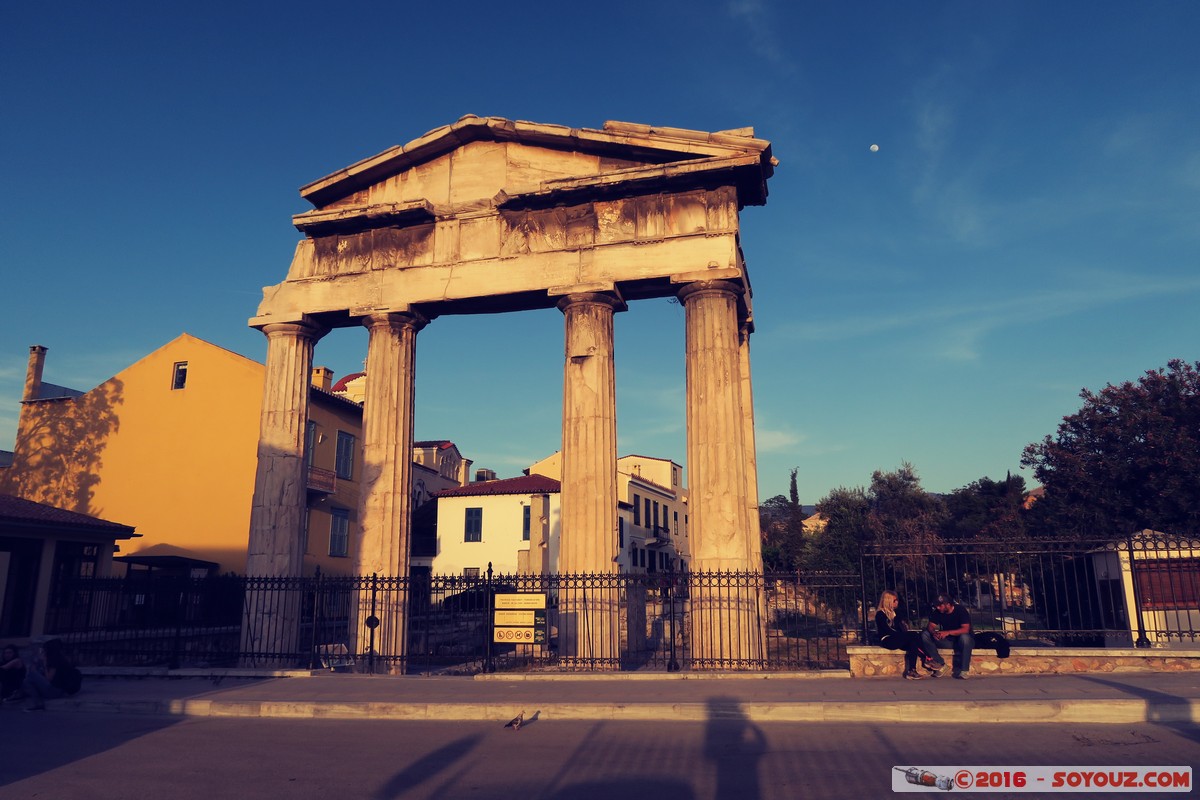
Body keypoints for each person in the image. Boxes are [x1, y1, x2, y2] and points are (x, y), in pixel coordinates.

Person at [875, 590, 946, 679]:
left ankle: (912, 670)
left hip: (898, 638)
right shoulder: (880, 614)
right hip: (887, 640)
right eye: (894, 600)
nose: (897, 602)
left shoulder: (896, 613)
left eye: (897, 600)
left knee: (913, 643)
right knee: (912, 635)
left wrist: (900, 624)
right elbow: (887, 630)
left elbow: (901, 628)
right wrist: (903, 635)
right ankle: (928, 659)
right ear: (888, 601)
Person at [14, 638, 82, 710]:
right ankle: (35, 701)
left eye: (44, 649)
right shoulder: (60, 659)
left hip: (54, 691)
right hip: (57, 690)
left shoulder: (54, 661)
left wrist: (45, 664)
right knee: (27, 681)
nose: (43, 651)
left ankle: (22, 694)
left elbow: (49, 678)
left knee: (31, 674)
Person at [922, 594, 975, 679]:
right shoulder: (938, 612)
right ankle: (941, 664)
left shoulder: (960, 610)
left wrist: (948, 632)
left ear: (948, 604)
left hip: (963, 641)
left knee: (965, 638)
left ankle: (964, 670)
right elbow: (931, 626)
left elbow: (965, 629)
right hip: (949, 641)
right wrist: (934, 633)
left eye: (940, 605)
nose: (938, 608)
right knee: (925, 634)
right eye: (936, 606)